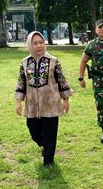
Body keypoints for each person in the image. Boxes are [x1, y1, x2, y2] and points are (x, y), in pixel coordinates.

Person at [15, 31, 72, 167]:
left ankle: (48, 161)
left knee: (50, 133)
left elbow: (61, 80)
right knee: (33, 130)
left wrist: (66, 100)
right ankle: (44, 145)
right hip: (32, 105)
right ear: (30, 44)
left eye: (41, 42)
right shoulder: (24, 62)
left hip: (51, 104)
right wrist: (18, 102)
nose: (39, 46)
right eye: (35, 43)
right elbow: (21, 83)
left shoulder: (54, 61)